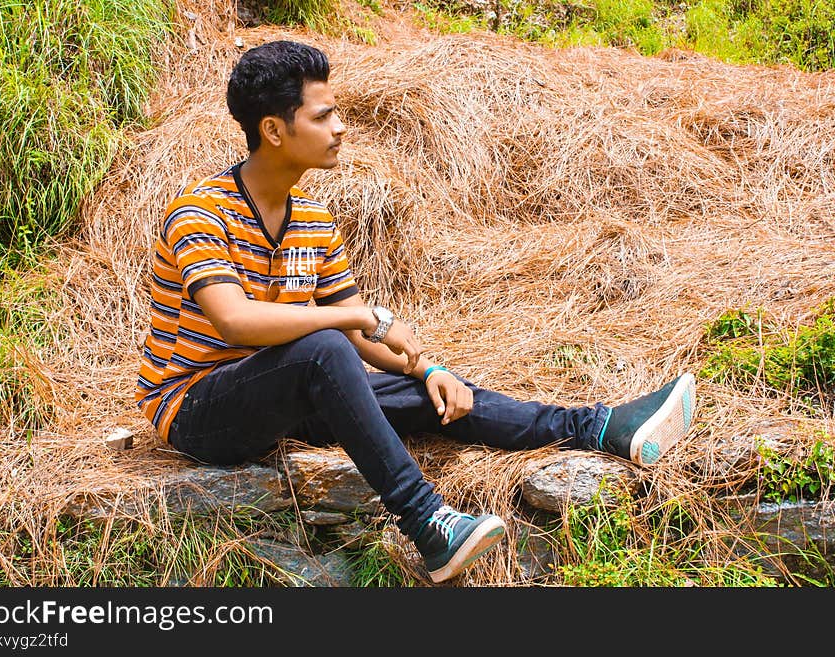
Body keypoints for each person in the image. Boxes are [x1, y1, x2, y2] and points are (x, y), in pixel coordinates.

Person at [135, 40, 697, 585]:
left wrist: (427, 369)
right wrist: (352, 321)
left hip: (281, 389)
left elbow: (353, 327)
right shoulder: (201, 212)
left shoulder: (313, 215)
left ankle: (599, 427)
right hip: (196, 407)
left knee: (428, 392)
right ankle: (428, 523)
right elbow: (238, 321)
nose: (340, 128)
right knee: (325, 349)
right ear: (274, 130)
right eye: (324, 116)